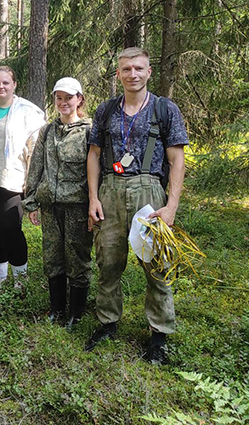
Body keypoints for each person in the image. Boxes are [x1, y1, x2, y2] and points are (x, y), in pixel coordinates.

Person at [85, 47, 189, 365]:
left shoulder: (164, 109)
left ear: (148, 72)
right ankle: (107, 324)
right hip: (111, 191)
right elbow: (93, 155)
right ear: (118, 74)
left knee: (157, 266)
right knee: (108, 262)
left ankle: (159, 336)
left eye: (138, 69)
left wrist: (171, 207)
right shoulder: (105, 110)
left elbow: (177, 160)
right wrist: (93, 198)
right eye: (126, 69)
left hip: (149, 191)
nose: (132, 74)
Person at [23, 77, 94, 330]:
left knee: (77, 258)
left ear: (79, 99)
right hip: (50, 205)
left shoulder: (89, 131)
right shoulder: (48, 131)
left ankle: (76, 313)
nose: (64, 102)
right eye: (59, 98)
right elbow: (36, 166)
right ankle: (56, 308)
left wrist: (94, 205)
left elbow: (96, 170)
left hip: (78, 206)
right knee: (53, 257)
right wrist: (31, 200)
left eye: (69, 98)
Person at [0, 66, 46, 289]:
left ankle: (20, 278)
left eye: (6, 82)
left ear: (14, 85)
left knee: (9, 227)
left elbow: (35, 150)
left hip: (13, 179)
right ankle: (0, 279)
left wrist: (32, 185)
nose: (1, 86)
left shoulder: (27, 112)